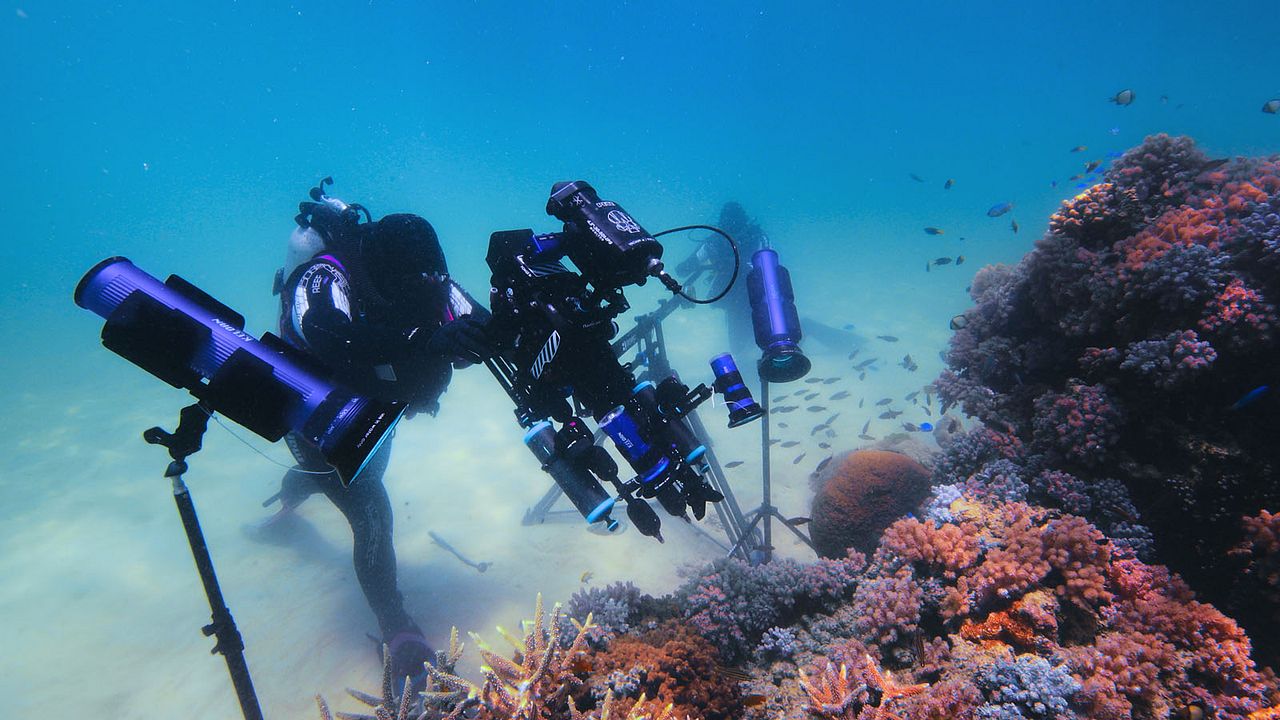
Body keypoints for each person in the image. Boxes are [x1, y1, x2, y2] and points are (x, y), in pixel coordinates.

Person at [258, 183, 490, 688]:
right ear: (381, 275)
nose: (424, 293)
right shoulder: (323, 277)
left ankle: (302, 487)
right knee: (370, 508)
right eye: (410, 286)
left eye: (432, 280)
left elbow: (479, 324)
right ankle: (398, 630)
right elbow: (324, 332)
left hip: (377, 412)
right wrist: (426, 338)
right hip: (318, 415)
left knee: (357, 479)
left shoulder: (430, 279)